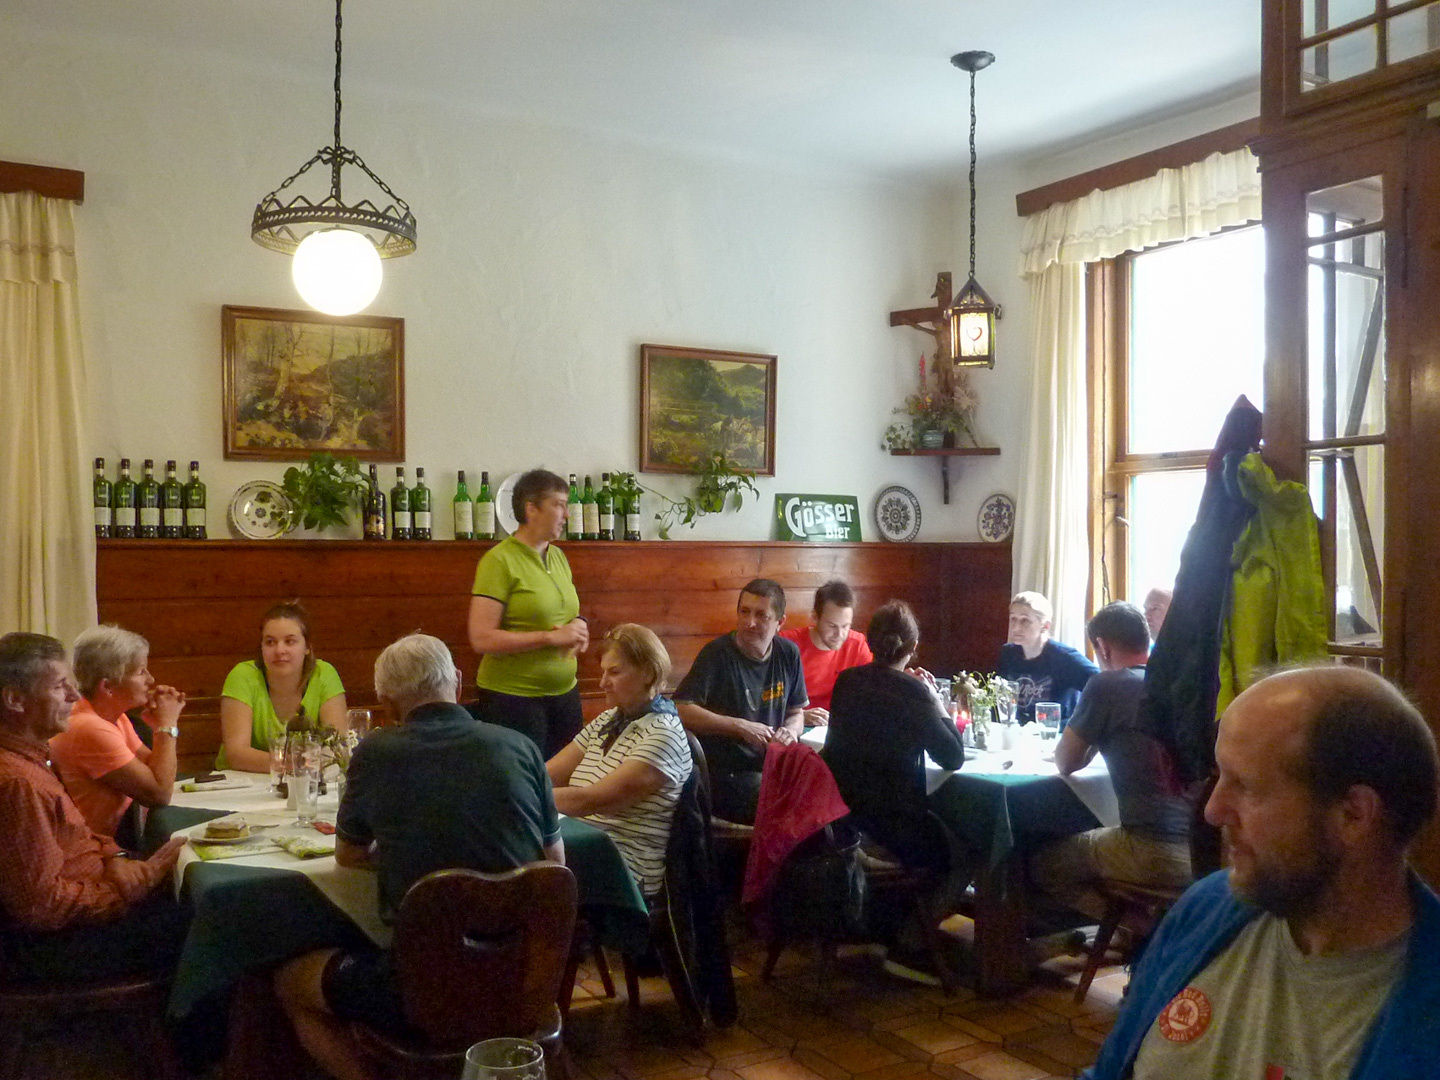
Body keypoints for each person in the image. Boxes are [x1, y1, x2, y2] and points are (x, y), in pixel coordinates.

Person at [1084, 666, 1440, 1080]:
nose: (1212, 810)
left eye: (1245, 785)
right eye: (1219, 777)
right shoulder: (1207, 907)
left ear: (1353, 814)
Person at [274, 633, 563, 1080]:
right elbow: (554, 865)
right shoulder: (520, 746)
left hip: (420, 992)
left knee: (290, 982)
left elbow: (348, 855)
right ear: (459, 682)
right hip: (524, 980)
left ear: (387, 705)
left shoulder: (375, 753)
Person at [0, 632, 189, 981]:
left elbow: (77, 832)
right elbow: (42, 906)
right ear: (14, 700)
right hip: (52, 947)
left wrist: (115, 858)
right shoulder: (18, 783)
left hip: (87, 903)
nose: (74, 696)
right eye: (60, 687)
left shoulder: (32, 758)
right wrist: (122, 891)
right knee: (208, 926)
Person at [1029, 602, 1191, 920]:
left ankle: (1138, 930)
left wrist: (1093, 733)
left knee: (1042, 864)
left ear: (1102, 647)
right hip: (1207, 848)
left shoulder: (1109, 685)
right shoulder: (1179, 683)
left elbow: (1066, 762)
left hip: (1152, 849)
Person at [548, 624, 691, 896]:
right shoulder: (608, 719)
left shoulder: (664, 734)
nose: (603, 682)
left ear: (648, 673)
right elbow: (546, 775)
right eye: (603, 672)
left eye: (614, 672)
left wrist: (524, 798)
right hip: (583, 848)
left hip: (624, 869)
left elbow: (591, 800)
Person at [823, 600, 966, 873]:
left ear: (870, 642)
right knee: (964, 844)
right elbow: (953, 757)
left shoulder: (847, 681)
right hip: (896, 828)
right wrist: (934, 698)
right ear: (913, 648)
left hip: (845, 818)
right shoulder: (914, 692)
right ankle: (932, 903)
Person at [468, 468, 588, 758]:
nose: (567, 514)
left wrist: (578, 625)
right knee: (526, 781)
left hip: (565, 694)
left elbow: (562, 612)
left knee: (566, 780)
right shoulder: (498, 561)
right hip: (513, 700)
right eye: (559, 505)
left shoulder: (558, 556)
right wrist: (548, 638)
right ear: (531, 508)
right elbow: (481, 638)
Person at [675, 579, 807, 824]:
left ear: (780, 622)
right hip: (726, 773)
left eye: (761, 615)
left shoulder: (788, 653)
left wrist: (791, 731)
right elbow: (681, 709)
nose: (750, 622)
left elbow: (796, 712)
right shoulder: (716, 654)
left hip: (773, 765)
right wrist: (740, 726)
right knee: (795, 804)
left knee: (823, 789)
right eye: (744, 612)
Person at [49, 625, 185, 838]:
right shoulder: (89, 727)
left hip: (112, 838)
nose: (150, 680)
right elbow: (159, 793)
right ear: (108, 687)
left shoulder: (114, 717)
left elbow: (155, 771)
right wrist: (167, 725)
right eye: (141, 672)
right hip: (88, 847)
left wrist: (159, 727)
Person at [218, 600, 347, 771]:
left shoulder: (324, 674)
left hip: (307, 778)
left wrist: (298, 766)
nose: (279, 650)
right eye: (270, 642)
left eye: (290, 641)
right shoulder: (242, 676)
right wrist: (296, 764)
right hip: (241, 781)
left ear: (307, 647)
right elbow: (237, 755)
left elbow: (337, 746)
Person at [779, 579, 873, 725]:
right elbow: (766, 699)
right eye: (832, 626)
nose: (839, 634)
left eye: (845, 626)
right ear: (815, 617)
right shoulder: (787, 645)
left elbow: (877, 684)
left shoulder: (857, 644)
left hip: (838, 725)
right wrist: (799, 715)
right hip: (794, 727)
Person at [997, 590, 1097, 725]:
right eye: (1013, 619)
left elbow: (1104, 686)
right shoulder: (1008, 654)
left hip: (1055, 733)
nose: (1016, 628)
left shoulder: (1065, 658)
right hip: (1017, 731)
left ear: (1045, 626)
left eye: (1025, 621)